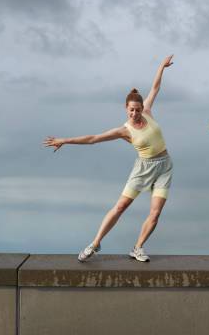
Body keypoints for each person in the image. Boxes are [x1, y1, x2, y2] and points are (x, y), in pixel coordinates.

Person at [43, 55, 175, 262]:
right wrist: (65, 140)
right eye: (131, 110)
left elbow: (155, 88)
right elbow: (94, 138)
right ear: (126, 109)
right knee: (121, 206)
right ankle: (95, 244)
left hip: (165, 167)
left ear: (142, 108)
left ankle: (138, 248)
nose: (135, 113)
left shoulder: (148, 112)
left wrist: (161, 67)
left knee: (155, 213)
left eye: (138, 109)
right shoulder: (125, 130)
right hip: (143, 169)